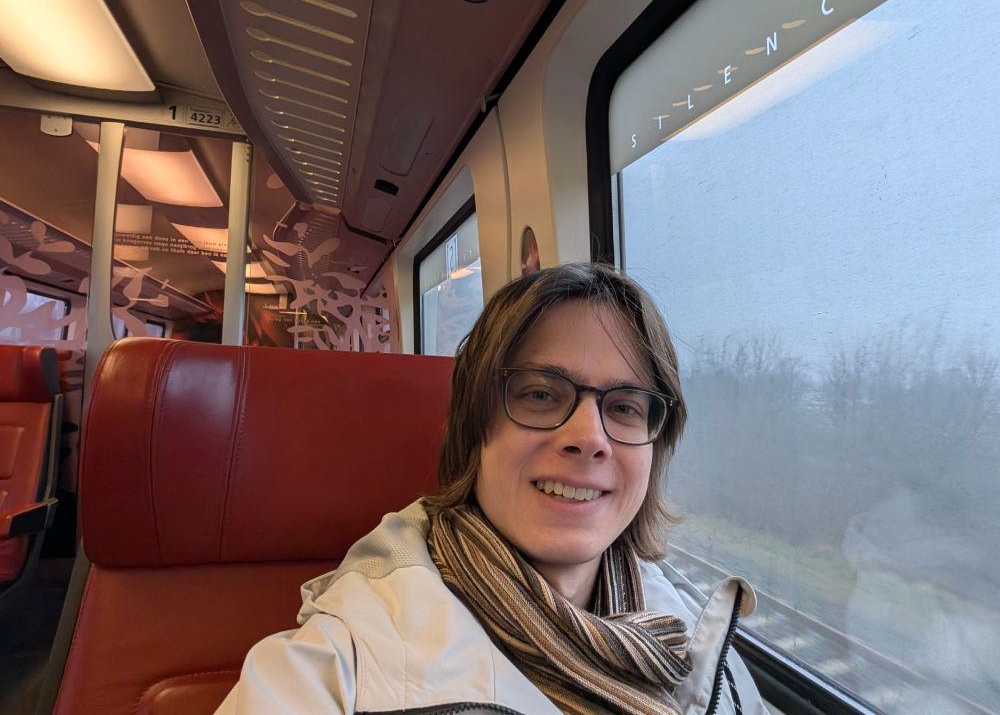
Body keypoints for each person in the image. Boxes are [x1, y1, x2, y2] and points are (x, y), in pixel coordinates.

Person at [216, 262, 764, 715]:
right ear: (475, 427)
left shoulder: (700, 638)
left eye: (623, 407)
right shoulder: (341, 662)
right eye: (540, 394)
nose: (589, 438)